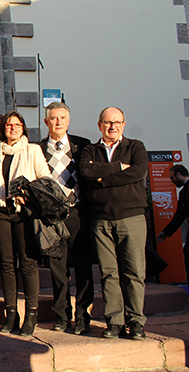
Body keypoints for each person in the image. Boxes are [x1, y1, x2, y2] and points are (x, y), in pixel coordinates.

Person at [81, 107, 148, 340]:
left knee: (134, 272)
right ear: (99, 125)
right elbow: (87, 171)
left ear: (124, 124)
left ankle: (136, 322)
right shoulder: (90, 150)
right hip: (101, 220)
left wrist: (104, 178)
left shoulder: (136, 147)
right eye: (108, 122)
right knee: (109, 273)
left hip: (132, 217)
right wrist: (120, 167)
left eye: (117, 122)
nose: (113, 127)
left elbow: (138, 172)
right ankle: (115, 322)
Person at [39, 102, 94, 335]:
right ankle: (62, 315)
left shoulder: (83, 145)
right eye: (53, 118)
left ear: (68, 121)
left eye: (62, 117)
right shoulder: (38, 148)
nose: (58, 122)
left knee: (83, 267)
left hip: (78, 213)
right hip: (53, 216)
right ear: (46, 122)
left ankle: (82, 317)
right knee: (58, 269)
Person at [0, 111, 51, 336]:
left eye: (17, 125)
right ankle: (11, 313)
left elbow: (46, 179)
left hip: (24, 213)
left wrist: (27, 193)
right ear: (3, 129)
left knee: (27, 264)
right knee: (7, 264)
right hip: (1, 211)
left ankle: (31, 314)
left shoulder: (32, 149)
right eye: (8, 125)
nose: (12, 128)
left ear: (23, 128)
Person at [157, 164, 189, 283]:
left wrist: (166, 232)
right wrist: (167, 232)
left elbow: (180, 215)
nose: (172, 181)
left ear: (178, 175)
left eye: (172, 177)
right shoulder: (184, 191)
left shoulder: (185, 192)